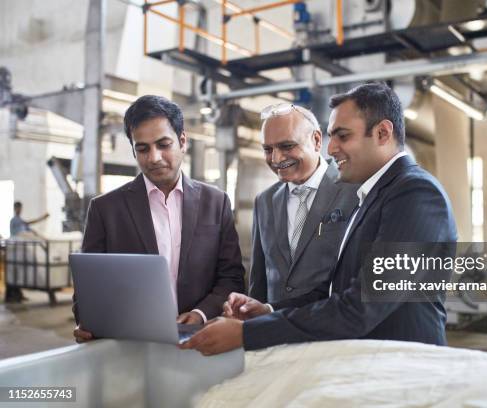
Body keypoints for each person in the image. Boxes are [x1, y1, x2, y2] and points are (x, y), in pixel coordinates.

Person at [180, 82, 457, 355]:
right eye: (331, 136)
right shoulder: (375, 194)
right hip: (370, 360)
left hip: (405, 366)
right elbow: (334, 290)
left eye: (343, 136)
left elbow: (362, 307)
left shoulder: (415, 193)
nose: (331, 148)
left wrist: (247, 334)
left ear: (383, 133)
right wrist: (268, 310)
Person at [73, 95, 245, 342]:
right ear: (133, 150)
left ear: (182, 141)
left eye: (163, 144)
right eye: (142, 148)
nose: (153, 157)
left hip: (200, 338)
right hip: (129, 343)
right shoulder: (105, 209)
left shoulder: (215, 202)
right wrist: (87, 321)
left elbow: (231, 276)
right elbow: (88, 287)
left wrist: (200, 314)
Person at [249, 103, 357, 309]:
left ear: (316, 140)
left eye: (287, 146)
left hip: (334, 334)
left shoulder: (354, 191)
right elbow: (259, 281)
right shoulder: (264, 201)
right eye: (267, 149)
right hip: (274, 333)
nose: (276, 158)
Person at [5, 202, 49, 302]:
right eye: (17, 208)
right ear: (14, 208)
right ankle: (12, 295)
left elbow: (29, 229)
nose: (19, 210)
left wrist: (40, 236)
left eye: (20, 208)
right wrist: (42, 218)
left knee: (20, 271)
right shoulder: (14, 220)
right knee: (14, 271)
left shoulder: (20, 220)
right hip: (15, 250)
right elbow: (27, 224)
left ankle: (18, 294)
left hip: (21, 251)